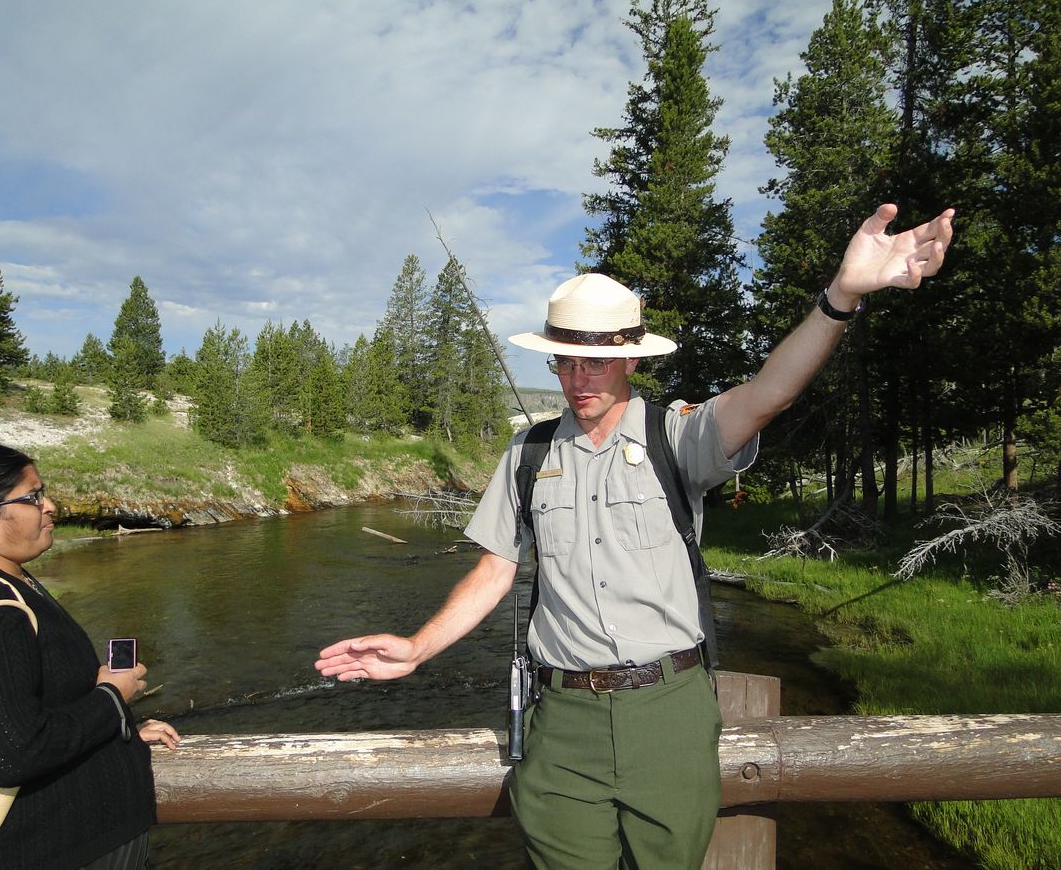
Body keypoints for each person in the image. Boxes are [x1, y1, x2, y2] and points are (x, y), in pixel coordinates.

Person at [316, 204, 954, 869]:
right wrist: (418, 647)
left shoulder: (677, 437)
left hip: (669, 713)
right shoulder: (528, 453)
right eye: (565, 360)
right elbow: (494, 570)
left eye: (595, 361)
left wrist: (841, 296)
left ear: (628, 360)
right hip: (560, 723)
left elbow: (770, 393)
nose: (577, 378)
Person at [0, 443, 180, 870]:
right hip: (43, 849)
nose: (50, 507)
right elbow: (13, 752)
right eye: (32, 497)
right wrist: (111, 697)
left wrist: (117, 732)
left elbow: (25, 706)